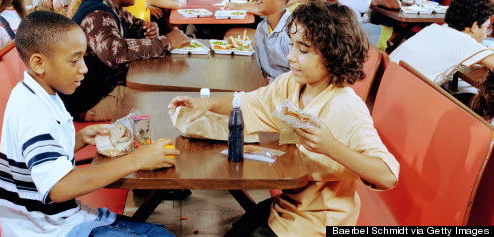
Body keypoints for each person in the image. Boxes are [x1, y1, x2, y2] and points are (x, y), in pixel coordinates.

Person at [168, 2, 399, 236]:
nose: (290, 57)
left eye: (303, 50)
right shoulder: (292, 84)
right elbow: (249, 102)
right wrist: (206, 103)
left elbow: (387, 175)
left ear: (333, 53)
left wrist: (332, 147)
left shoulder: (346, 106)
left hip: (318, 223)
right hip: (288, 206)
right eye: (292, 45)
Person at [0, 10, 179, 236]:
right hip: (48, 230)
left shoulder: (43, 93)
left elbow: (39, 157)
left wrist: (80, 139)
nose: (84, 68)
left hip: (65, 219)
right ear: (39, 63)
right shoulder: (31, 110)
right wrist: (137, 160)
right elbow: (59, 187)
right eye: (74, 60)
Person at [59, 0, 190, 122]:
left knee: (165, 92)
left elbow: (133, 23)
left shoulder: (110, 7)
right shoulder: (98, 14)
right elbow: (114, 52)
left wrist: (148, 28)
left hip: (106, 89)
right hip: (91, 102)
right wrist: (166, 41)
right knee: (164, 102)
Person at [389, 0, 494, 106]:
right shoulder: (463, 41)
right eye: (486, 27)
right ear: (474, 26)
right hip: (405, 106)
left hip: (387, 94)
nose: (485, 34)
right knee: (478, 103)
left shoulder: (433, 29)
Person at [252, 0, 292, 83]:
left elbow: (298, 80)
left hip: (287, 90)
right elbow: (258, 70)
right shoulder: (261, 27)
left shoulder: (293, 32)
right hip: (269, 87)